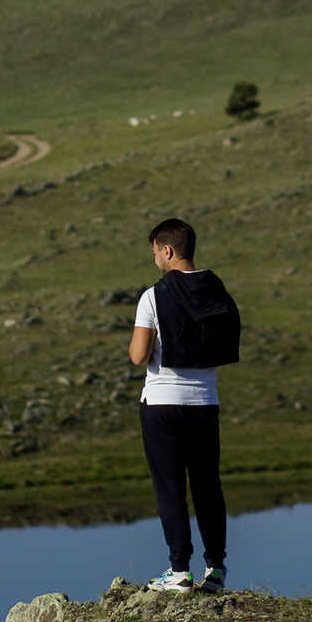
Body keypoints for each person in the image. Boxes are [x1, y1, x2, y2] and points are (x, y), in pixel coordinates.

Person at [129, 216, 240, 594]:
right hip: (206, 402)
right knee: (209, 485)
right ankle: (217, 569)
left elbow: (139, 355)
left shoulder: (153, 296)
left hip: (162, 404)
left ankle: (179, 572)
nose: (155, 259)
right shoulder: (218, 291)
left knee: (170, 487)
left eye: (156, 252)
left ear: (168, 250)